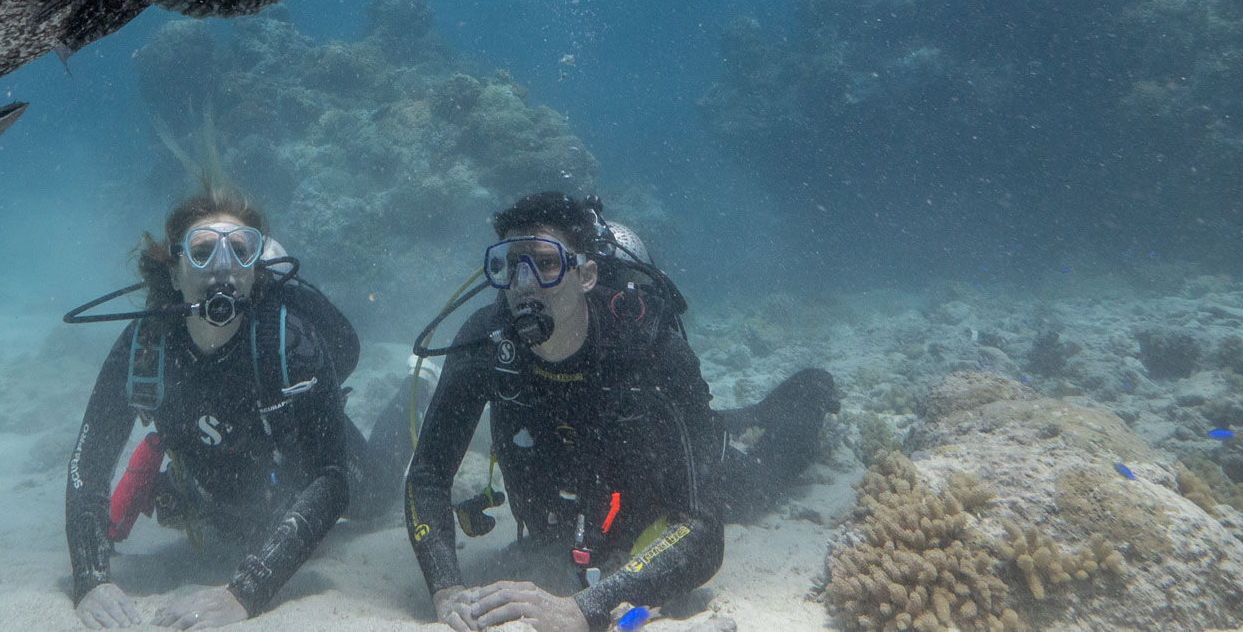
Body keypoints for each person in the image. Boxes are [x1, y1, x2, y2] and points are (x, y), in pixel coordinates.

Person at [404, 193, 839, 632]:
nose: (523, 283)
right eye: (510, 263)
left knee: (763, 475)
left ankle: (808, 391)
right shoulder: (486, 344)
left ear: (587, 274)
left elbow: (704, 534)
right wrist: (446, 590)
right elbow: (427, 477)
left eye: (546, 263)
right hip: (567, 513)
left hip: (654, 500)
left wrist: (586, 606)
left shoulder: (649, 349)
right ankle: (732, 417)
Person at [65, 190, 355, 630]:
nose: (222, 266)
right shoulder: (146, 345)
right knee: (230, 522)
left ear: (256, 269)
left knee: (377, 497)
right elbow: (90, 459)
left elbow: (333, 478)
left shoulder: (288, 343)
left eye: (240, 251)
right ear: (174, 270)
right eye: (202, 252)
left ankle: (420, 380)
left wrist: (247, 590)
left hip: (302, 474)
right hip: (221, 498)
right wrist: (91, 579)